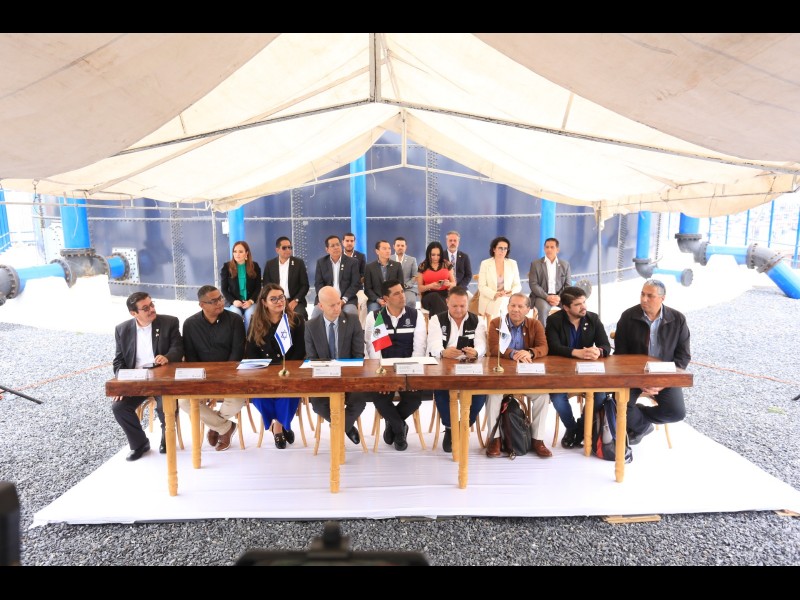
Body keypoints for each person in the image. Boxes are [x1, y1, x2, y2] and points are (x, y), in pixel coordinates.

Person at [613, 279, 691, 445]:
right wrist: (639, 380)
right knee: (617, 405)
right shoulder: (628, 316)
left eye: (650, 296)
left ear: (662, 298)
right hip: (633, 375)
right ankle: (643, 427)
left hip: (665, 375)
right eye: (642, 294)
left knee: (677, 413)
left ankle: (638, 419)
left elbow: (683, 356)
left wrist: (663, 382)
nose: (644, 299)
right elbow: (620, 355)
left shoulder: (678, 319)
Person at [112, 292, 184, 461]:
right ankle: (139, 444)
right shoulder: (122, 329)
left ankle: (167, 437)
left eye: (152, 304)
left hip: (162, 378)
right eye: (145, 308)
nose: (152, 309)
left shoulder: (169, 322)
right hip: (136, 380)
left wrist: (167, 357)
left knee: (164, 405)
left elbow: (178, 348)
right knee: (119, 407)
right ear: (134, 313)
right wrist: (121, 385)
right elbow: (118, 361)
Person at [180, 285, 246, 452]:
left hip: (229, 375)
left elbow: (237, 353)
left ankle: (216, 426)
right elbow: (191, 357)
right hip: (202, 377)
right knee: (184, 401)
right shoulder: (190, 324)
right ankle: (225, 427)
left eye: (220, 298)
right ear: (202, 304)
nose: (220, 303)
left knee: (237, 399)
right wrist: (204, 379)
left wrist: (225, 376)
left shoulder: (235, 320)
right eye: (214, 301)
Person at [485, 293, 551, 458]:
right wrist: (513, 353)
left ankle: (537, 440)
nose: (516, 309)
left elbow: (544, 347)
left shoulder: (535, 324)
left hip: (526, 378)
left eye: (520, 306)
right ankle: (495, 439)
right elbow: (493, 348)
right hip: (502, 378)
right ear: (508, 307)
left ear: (528, 309)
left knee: (543, 396)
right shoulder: (496, 323)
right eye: (513, 305)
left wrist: (530, 352)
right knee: (492, 395)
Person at [545, 286, 612, 449]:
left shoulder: (593, 318)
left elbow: (606, 345)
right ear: (566, 307)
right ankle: (571, 428)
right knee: (557, 397)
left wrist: (598, 351)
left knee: (600, 395)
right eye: (578, 304)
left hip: (588, 372)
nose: (584, 307)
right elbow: (553, 347)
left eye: (584, 302)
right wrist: (576, 353)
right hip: (562, 372)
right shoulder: (554, 320)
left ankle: (581, 427)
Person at [364, 279, 427, 451]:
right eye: (397, 293)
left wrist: (410, 376)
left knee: (414, 398)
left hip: (409, 369)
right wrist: (382, 378)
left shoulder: (416, 315)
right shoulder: (374, 317)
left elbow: (419, 349)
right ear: (386, 298)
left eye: (402, 291)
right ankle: (400, 427)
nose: (402, 296)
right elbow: (373, 351)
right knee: (379, 397)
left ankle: (392, 423)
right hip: (385, 371)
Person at [304, 285, 369, 444]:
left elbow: (358, 356)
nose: (337, 308)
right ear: (320, 306)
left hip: (349, 378)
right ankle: (348, 427)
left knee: (359, 399)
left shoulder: (352, 321)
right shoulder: (311, 326)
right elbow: (313, 359)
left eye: (339, 303)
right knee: (317, 403)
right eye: (332, 305)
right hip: (324, 379)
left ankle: (340, 427)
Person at [426, 286, 487, 453]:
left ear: (467, 303)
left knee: (481, 392)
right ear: (447, 302)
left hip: (470, 366)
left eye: (462, 306)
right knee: (441, 389)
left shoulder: (478, 320)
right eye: (455, 306)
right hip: (445, 365)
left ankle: (463, 426)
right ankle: (450, 428)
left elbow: (482, 344)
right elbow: (433, 344)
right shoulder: (436, 320)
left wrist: (476, 351)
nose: (459, 310)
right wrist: (443, 351)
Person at [245, 283, 307, 449]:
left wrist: (285, 370)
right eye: (273, 299)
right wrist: (267, 372)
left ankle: (278, 426)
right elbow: (251, 351)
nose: (279, 301)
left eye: (281, 297)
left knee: (288, 392)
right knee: (259, 393)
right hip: (264, 371)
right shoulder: (255, 320)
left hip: (288, 370)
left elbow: (300, 351)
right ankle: (282, 424)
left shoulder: (297, 319)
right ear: (264, 302)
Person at [312, 235, 361, 319]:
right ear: (327, 249)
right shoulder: (321, 262)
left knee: (351, 314)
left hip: (347, 300)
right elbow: (318, 284)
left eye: (338, 245)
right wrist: (328, 300)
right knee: (316, 315)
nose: (336, 247)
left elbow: (355, 284)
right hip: (326, 300)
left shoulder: (352, 262)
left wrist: (343, 300)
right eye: (332, 246)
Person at [262, 236, 310, 320]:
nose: (288, 250)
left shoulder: (298, 263)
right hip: (275, 300)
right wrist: (275, 301)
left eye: (289, 247)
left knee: (300, 315)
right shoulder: (270, 264)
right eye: (284, 248)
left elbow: (305, 285)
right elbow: (267, 286)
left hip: (294, 300)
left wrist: (296, 300)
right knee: (265, 316)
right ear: (277, 250)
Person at [219, 240, 261, 334]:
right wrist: (233, 301)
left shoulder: (255, 266)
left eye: (241, 251)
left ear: (246, 253)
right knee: (236, 315)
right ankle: (238, 339)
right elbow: (224, 289)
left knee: (250, 315)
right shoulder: (226, 267)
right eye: (235, 251)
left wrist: (251, 301)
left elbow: (258, 287)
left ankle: (248, 340)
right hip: (234, 302)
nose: (237, 254)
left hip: (250, 302)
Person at [529, 237, 572, 327]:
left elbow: (568, 285)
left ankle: (565, 333)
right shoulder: (535, 264)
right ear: (544, 249)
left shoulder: (565, 265)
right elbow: (533, 284)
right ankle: (543, 334)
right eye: (547, 247)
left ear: (557, 250)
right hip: (541, 297)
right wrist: (547, 297)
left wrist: (559, 297)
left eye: (552, 247)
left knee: (571, 307)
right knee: (543, 308)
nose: (549, 249)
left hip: (559, 297)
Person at [478, 236, 522, 322]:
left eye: (505, 248)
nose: (503, 251)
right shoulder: (485, 264)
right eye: (500, 248)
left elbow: (518, 285)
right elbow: (481, 286)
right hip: (490, 298)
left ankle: (498, 326)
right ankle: (502, 326)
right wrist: (495, 294)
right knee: (502, 302)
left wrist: (511, 292)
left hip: (507, 298)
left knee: (504, 301)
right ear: (494, 249)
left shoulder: (512, 263)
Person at [417, 241, 455, 316]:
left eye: (438, 255)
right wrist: (430, 286)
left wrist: (449, 284)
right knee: (435, 296)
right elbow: (420, 288)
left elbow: (454, 283)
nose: (436, 258)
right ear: (428, 254)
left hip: (444, 295)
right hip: (428, 296)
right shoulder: (423, 266)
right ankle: (446, 319)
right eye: (433, 255)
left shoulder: (447, 264)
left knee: (441, 301)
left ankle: (437, 321)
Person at [364, 239, 403, 313]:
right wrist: (378, 300)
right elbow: (367, 289)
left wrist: (391, 299)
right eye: (384, 248)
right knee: (374, 313)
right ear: (377, 251)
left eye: (389, 248)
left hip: (393, 299)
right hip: (376, 300)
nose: (388, 251)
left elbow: (401, 285)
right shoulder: (369, 267)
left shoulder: (397, 265)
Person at [392, 236, 418, 309]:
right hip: (392, 288)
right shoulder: (389, 259)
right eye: (398, 245)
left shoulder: (412, 260)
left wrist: (406, 285)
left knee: (411, 301)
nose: (400, 247)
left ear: (406, 247)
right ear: (394, 246)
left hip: (408, 288)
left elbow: (415, 276)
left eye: (402, 246)